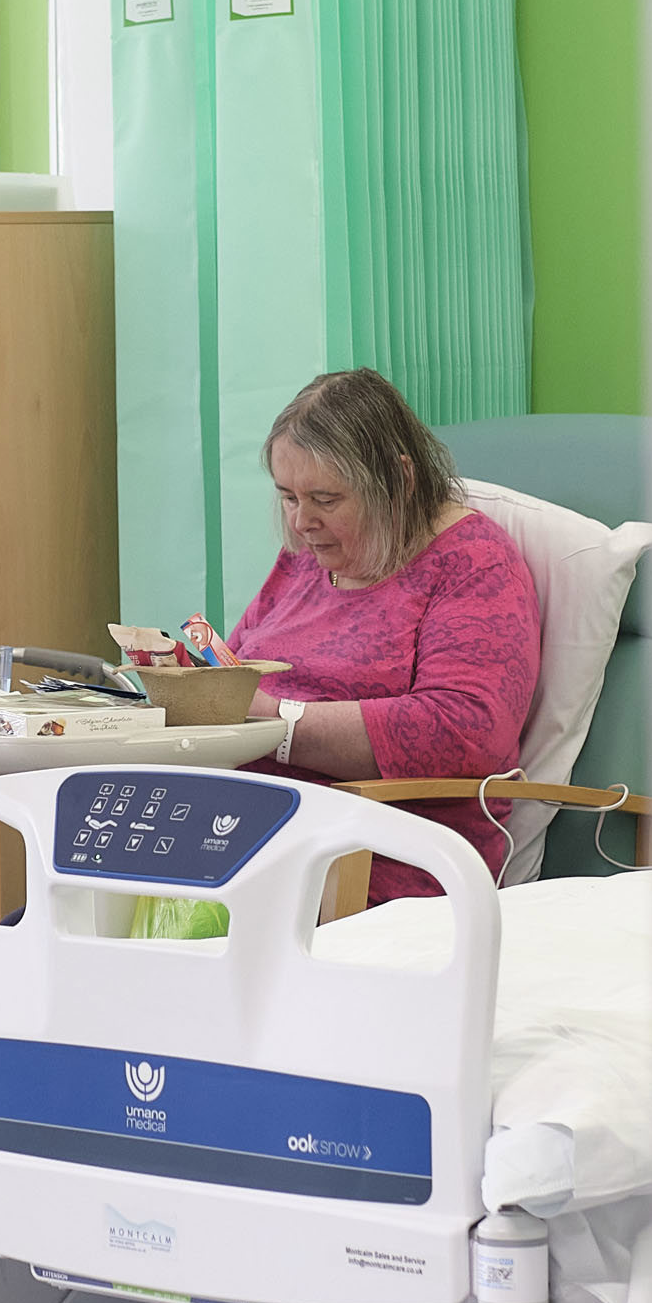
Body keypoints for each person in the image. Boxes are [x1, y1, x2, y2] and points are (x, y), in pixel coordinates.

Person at [227, 369, 541, 905]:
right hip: (244, 839)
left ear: (399, 478)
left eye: (326, 499)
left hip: (375, 859)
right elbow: (230, 678)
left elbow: (464, 732)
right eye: (287, 497)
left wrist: (273, 725)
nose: (302, 522)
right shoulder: (304, 559)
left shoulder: (474, 564)